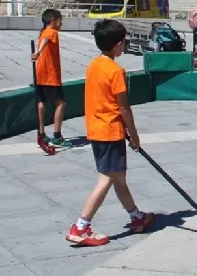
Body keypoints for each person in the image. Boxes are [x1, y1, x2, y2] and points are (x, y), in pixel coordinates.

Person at [65, 19, 155, 246]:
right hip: (111, 131)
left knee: (118, 177)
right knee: (106, 179)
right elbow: (124, 106)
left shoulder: (94, 65)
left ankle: (136, 218)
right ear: (117, 44)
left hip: (95, 130)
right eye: (124, 42)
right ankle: (81, 226)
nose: (125, 46)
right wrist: (134, 135)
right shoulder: (116, 71)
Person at [32, 9, 68, 149]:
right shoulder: (51, 32)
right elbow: (46, 41)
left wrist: (38, 53)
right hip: (51, 76)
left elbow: (44, 40)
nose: (61, 23)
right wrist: (38, 52)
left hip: (40, 74)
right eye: (60, 20)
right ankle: (57, 136)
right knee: (61, 104)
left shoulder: (42, 32)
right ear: (53, 20)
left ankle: (41, 134)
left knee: (42, 102)